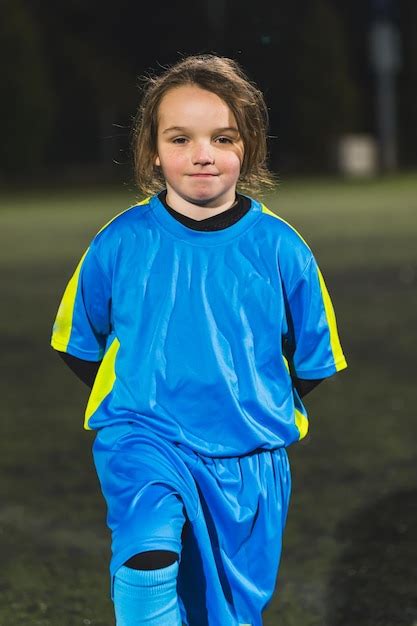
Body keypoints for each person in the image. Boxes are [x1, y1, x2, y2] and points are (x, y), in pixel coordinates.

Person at [51, 54, 347, 626]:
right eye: (180, 138)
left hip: (248, 458)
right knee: (147, 554)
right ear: (153, 150)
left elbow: (315, 359)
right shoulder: (120, 242)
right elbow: (76, 342)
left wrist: (246, 402)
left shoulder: (282, 249)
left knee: (225, 614)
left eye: (222, 137)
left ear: (249, 147)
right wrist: (145, 394)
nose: (202, 154)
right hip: (146, 437)